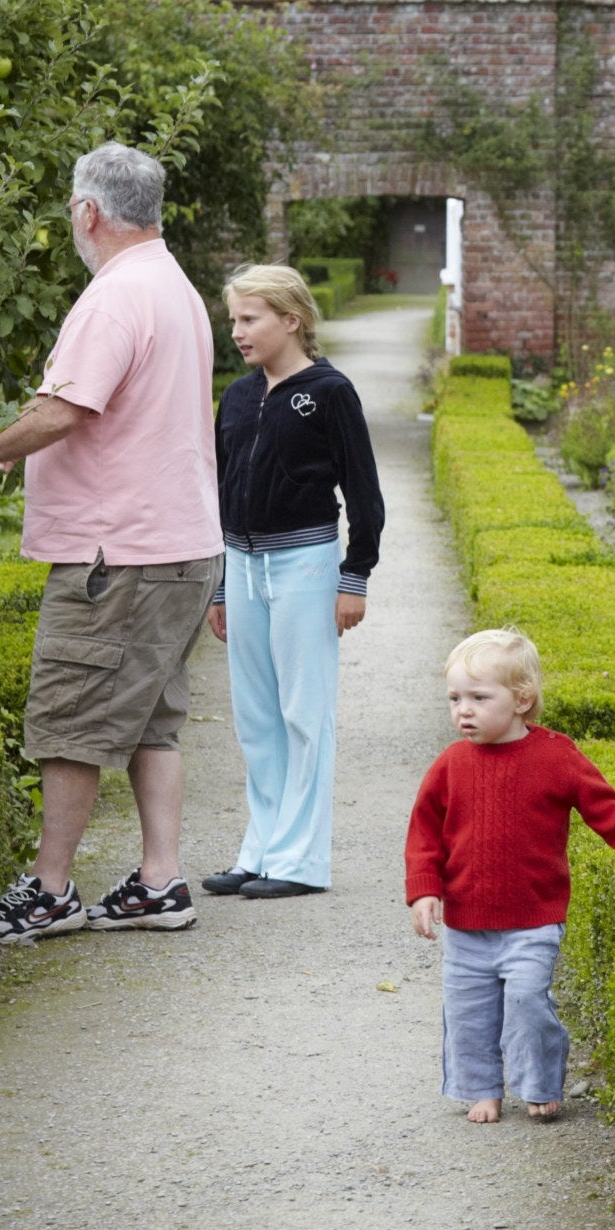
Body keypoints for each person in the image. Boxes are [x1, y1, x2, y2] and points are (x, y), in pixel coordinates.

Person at [0, 143, 225, 943]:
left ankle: (50, 889)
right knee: (154, 721)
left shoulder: (115, 295)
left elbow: (64, 409)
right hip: (183, 544)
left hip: (116, 556)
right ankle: (159, 881)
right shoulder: (176, 286)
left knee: (69, 726)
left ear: (88, 212)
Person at [405, 629, 615, 1124]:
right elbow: (424, 833)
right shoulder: (450, 765)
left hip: (534, 919)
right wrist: (424, 891)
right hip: (467, 924)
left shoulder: (556, 757)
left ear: (521, 700)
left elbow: (606, 810)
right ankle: (482, 1089)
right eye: (455, 699)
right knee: (468, 1013)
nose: (463, 710)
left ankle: (538, 1085)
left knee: (529, 1002)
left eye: (478, 697)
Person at [201, 264, 385, 901]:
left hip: (307, 563)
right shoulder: (237, 396)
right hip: (244, 564)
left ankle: (301, 861)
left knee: (304, 713)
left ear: (291, 320)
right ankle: (261, 850)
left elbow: (363, 491)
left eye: (249, 319)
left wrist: (354, 574)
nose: (238, 332)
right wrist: (223, 583)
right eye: (233, 320)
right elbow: (222, 491)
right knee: (255, 716)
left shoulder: (329, 393)